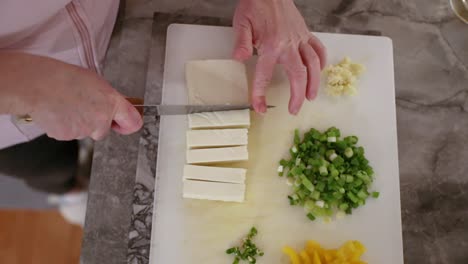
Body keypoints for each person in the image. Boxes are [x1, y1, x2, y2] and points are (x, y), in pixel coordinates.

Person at [0, 0, 326, 194]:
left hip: (108, 15)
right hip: (12, 114)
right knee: (49, 168)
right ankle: (72, 192)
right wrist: (27, 85)